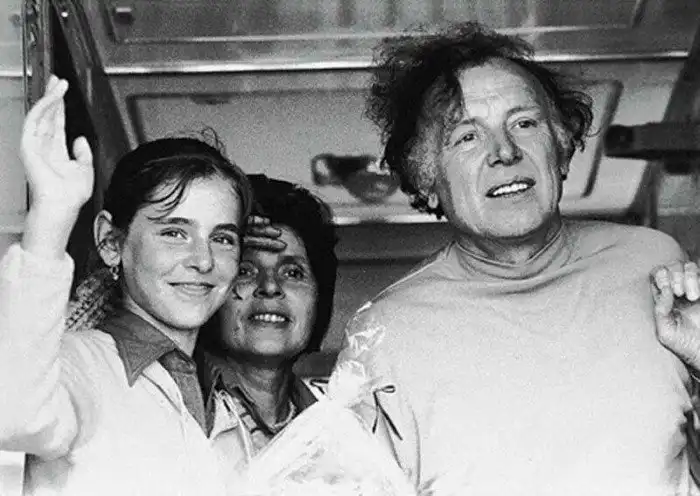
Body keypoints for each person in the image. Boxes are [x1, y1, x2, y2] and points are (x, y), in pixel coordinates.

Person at [336, 21, 700, 496]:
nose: (504, 152)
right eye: (467, 137)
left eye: (524, 123)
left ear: (561, 148)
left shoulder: (653, 263)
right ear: (427, 178)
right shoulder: (383, 336)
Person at [0, 76, 255, 495]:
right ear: (110, 242)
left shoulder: (223, 403)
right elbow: (14, 412)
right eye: (174, 233)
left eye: (222, 238)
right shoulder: (77, 364)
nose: (204, 259)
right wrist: (51, 216)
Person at [196, 174, 339, 470]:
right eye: (245, 270)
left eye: (293, 273)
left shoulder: (337, 425)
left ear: (319, 298)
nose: (270, 286)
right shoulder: (174, 404)